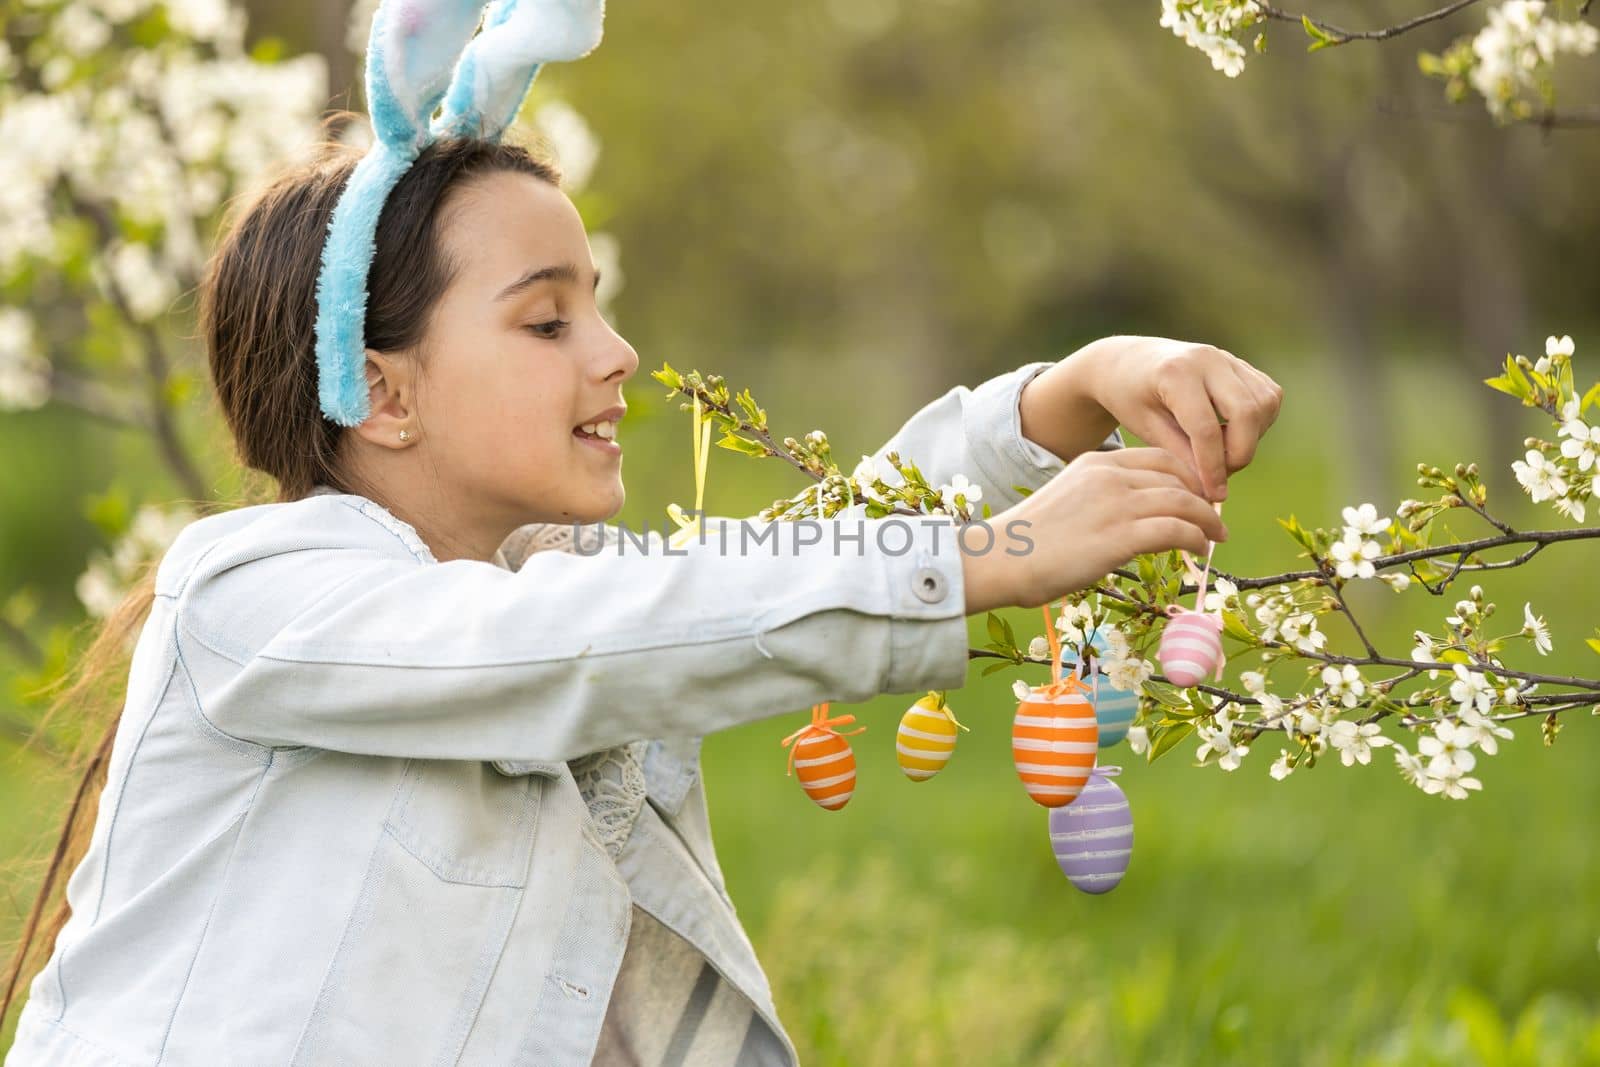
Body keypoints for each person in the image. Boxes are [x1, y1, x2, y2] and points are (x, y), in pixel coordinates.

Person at [2, 8, 1281, 1066]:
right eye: (546, 322)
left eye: (595, 310)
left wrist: (1066, 389)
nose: (616, 356)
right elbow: (578, 644)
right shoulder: (252, 592)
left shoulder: (555, 588)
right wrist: (996, 560)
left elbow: (760, 571)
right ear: (385, 393)